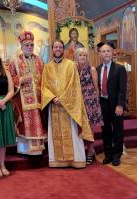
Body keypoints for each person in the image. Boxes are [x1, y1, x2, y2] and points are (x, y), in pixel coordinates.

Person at [41, 40, 93, 168]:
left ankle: (75, 160)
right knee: (56, 134)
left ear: (63, 49)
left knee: (73, 134)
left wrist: (62, 99)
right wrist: (53, 98)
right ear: (52, 50)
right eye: (55, 47)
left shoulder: (71, 65)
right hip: (54, 106)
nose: (58, 49)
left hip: (69, 106)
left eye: (60, 47)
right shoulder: (47, 67)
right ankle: (58, 161)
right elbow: (44, 86)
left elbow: (74, 85)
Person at [8, 31, 46, 155]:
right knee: (26, 124)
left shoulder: (39, 61)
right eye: (27, 45)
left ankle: (39, 149)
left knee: (39, 123)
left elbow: (45, 77)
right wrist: (21, 80)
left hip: (39, 98)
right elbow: (10, 77)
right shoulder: (15, 61)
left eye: (31, 45)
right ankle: (25, 150)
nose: (29, 47)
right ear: (22, 47)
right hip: (24, 99)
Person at [96, 42, 127, 166]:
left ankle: (116, 155)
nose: (106, 53)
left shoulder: (120, 68)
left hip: (115, 105)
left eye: (108, 51)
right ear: (100, 54)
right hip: (103, 104)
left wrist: (120, 105)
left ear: (112, 53)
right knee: (106, 130)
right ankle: (108, 154)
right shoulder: (97, 69)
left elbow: (123, 89)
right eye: (103, 51)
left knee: (118, 130)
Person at [74, 47, 104, 165]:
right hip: (78, 101)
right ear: (76, 57)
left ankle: (90, 151)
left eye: (84, 55)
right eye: (80, 55)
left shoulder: (91, 69)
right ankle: (82, 151)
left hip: (90, 101)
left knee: (90, 129)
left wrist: (96, 104)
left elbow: (96, 88)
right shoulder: (74, 69)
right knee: (80, 128)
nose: (82, 57)